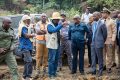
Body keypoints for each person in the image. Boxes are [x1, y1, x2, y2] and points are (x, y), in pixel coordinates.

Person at [46, 12, 66, 78]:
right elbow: (53, 30)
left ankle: (54, 73)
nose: (57, 20)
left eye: (58, 19)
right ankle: (50, 74)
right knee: (51, 60)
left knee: (56, 59)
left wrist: (60, 36)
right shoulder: (49, 25)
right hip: (51, 45)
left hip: (57, 44)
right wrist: (61, 25)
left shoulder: (57, 24)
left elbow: (56, 32)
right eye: (56, 19)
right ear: (53, 19)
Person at [90, 12, 107, 77]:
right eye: (93, 16)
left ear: (98, 16)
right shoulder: (93, 24)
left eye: (94, 16)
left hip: (99, 43)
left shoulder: (102, 24)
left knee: (100, 58)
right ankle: (93, 70)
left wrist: (101, 41)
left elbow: (105, 35)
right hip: (93, 43)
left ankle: (100, 71)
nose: (93, 17)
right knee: (93, 57)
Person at [18, 15, 35, 80]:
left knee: (26, 62)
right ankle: (28, 76)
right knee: (29, 61)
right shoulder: (23, 27)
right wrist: (33, 35)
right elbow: (26, 35)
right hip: (25, 47)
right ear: (24, 20)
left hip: (28, 46)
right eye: (28, 20)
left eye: (29, 20)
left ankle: (24, 76)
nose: (29, 21)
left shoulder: (25, 26)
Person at [102, 8, 117, 73]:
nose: (102, 14)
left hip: (109, 39)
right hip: (102, 40)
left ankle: (109, 67)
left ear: (107, 13)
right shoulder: (101, 21)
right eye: (102, 13)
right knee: (102, 53)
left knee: (109, 54)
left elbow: (114, 31)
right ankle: (103, 65)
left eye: (104, 13)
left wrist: (113, 40)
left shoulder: (111, 21)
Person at [34, 13, 48, 78]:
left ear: (46, 17)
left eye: (44, 16)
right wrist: (45, 31)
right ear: (40, 17)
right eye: (42, 16)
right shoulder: (38, 24)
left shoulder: (48, 23)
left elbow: (49, 31)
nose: (43, 17)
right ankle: (37, 71)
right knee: (38, 57)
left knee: (46, 56)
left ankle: (44, 70)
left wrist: (42, 31)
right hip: (39, 42)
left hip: (47, 42)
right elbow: (37, 32)